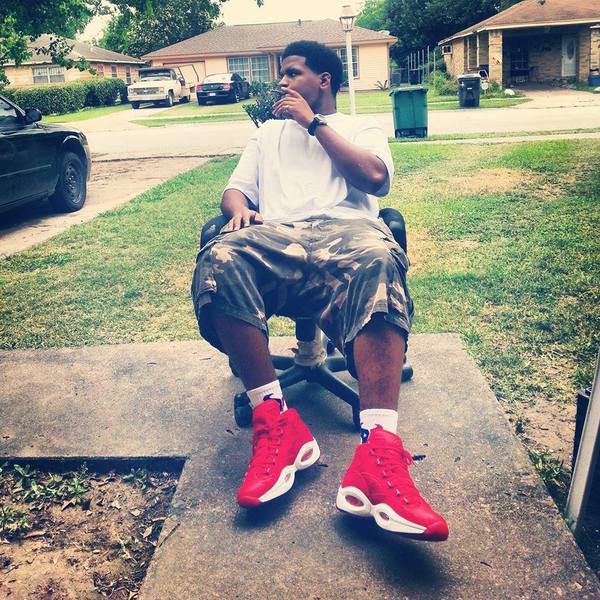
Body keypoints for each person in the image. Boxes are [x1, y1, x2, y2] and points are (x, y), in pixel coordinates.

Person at [191, 40, 448, 541]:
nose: (282, 82)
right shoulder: (267, 134)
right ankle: (275, 423)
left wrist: (313, 124)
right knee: (220, 256)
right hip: (278, 237)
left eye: (293, 73)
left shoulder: (358, 126)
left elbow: (375, 178)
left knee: (379, 259)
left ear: (324, 80)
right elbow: (235, 189)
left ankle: (378, 453)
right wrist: (238, 209)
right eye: (282, 74)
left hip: (348, 235)